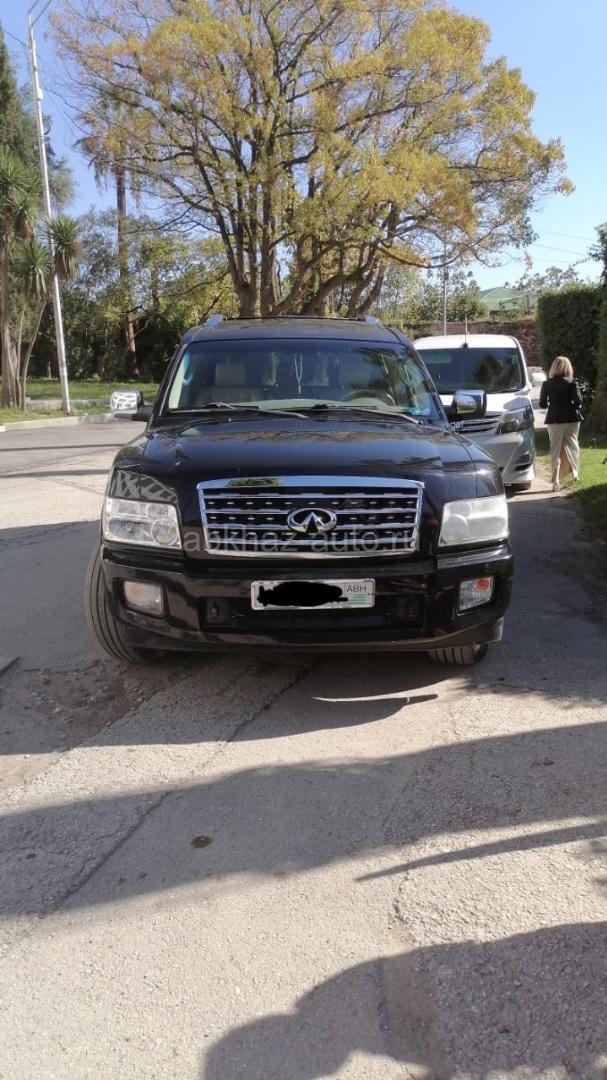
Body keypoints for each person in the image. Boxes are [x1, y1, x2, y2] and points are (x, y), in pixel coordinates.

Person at [539, 356, 582, 492]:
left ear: (553, 368)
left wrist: (553, 403)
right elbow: (578, 402)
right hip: (571, 418)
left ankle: (556, 480)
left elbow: (542, 404)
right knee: (572, 444)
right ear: (568, 367)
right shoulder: (572, 382)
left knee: (556, 448)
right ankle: (575, 473)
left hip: (554, 419)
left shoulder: (547, 384)